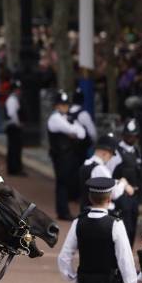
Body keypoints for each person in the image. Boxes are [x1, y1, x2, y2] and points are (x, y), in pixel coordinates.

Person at [47, 92, 89, 221]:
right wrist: (73, 131)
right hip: (60, 156)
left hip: (67, 155)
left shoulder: (66, 117)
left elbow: (81, 133)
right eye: (62, 105)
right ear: (56, 106)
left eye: (66, 105)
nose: (65, 107)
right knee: (62, 184)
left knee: (66, 183)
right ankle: (63, 212)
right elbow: (73, 131)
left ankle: (64, 210)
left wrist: (74, 130)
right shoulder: (55, 118)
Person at [113, 119, 142, 244]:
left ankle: (128, 254)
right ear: (123, 135)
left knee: (132, 229)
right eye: (128, 136)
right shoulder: (117, 151)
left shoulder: (136, 151)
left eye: (134, 136)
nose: (131, 138)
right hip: (122, 195)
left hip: (134, 196)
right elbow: (110, 174)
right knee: (124, 227)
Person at [4, 81, 24, 176]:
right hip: (13, 126)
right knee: (14, 148)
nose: (19, 91)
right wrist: (18, 123)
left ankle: (14, 168)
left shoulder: (14, 99)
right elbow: (11, 114)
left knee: (15, 148)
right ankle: (14, 168)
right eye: (17, 89)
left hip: (12, 126)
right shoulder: (12, 100)